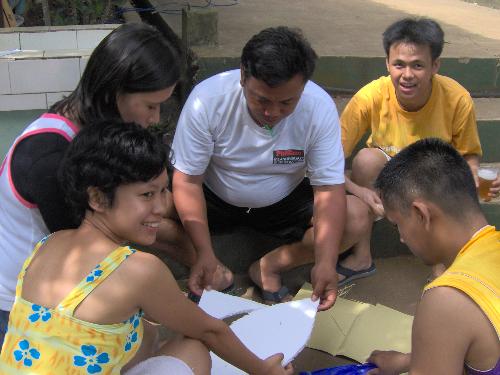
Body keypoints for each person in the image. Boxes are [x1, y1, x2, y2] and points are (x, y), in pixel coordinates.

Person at [0, 121, 293, 375]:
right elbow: (210, 330)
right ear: (98, 199)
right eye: (147, 194)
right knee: (193, 348)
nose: (161, 207)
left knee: (145, 330)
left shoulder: (49, 242)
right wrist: (263, 369)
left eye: (164, 191)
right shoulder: (138, 269)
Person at [0, 22, 185, 349]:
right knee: (153, 341)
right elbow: (100, 250)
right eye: (151, 106)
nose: (155, 119)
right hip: (22, 309)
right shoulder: (50, 157)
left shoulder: (89, 130)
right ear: (115, 93)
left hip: (59, 289)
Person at [171, 26, 375, 310]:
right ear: (243, 76)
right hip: (214, 197)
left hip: (283, 200)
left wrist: (326, 263)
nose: (272, 113)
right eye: (262, 100)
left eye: (286, 102)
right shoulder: (207, 100)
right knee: (145, 210)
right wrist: (204, 253)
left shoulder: (318, 108)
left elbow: (328, 189)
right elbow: (188, 182)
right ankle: (211, 268)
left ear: (303, 87)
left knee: (356, 217)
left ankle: (269, 266)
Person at [340, 17, 500, 278]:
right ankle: (361, 255)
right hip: (387, 174)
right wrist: (357, 189)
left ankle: (440, 262)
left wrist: (473, 175)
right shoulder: (370, 96)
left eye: (418, 65)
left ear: (435, 65)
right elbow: (330, 158)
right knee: (365, 161)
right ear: (387, 63)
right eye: (399, 64)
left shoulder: (457, 98)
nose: (407, 75)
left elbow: (469, 153)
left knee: (445, 179)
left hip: (432, 177)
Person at [366, 138, 499, 375]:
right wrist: (411, 360)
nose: (402, 239)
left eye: (397, 225)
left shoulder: (446, 300)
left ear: (421, 214)